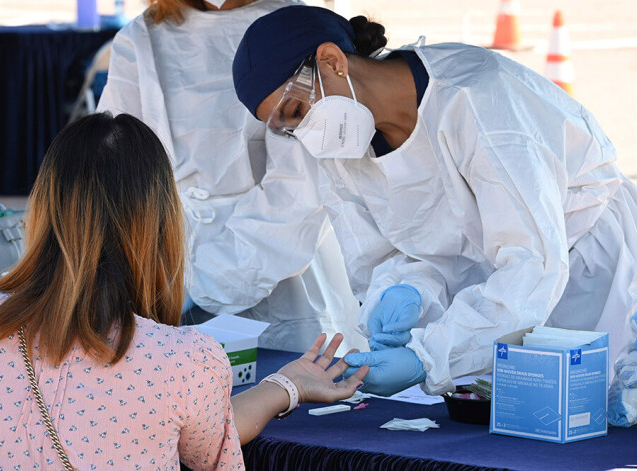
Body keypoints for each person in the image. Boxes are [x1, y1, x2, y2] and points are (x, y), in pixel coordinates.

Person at [231, 5, 637, 425]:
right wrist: (403, 292)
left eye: (296, 112)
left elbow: (531, 263)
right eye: (286, 129)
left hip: (588, 277)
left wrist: (428, 357)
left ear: (332, 60)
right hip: (496, 311)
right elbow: (387, 256)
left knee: (593, 425)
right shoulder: (341, 142)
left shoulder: (478, 99)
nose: (304, 136)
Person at [0, 113, 368, 469]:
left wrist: (287, 384)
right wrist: (289, 386)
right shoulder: (183, 361)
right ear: (160, 224)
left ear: (43, 208)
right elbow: (213, 446)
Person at [96, 0, 364, 354]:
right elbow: (117, 163)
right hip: (164, 258)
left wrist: (206, 281)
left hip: (278, 259)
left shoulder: (286, 26)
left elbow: (299, 190)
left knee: (277, 382)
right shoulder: (142, 37)